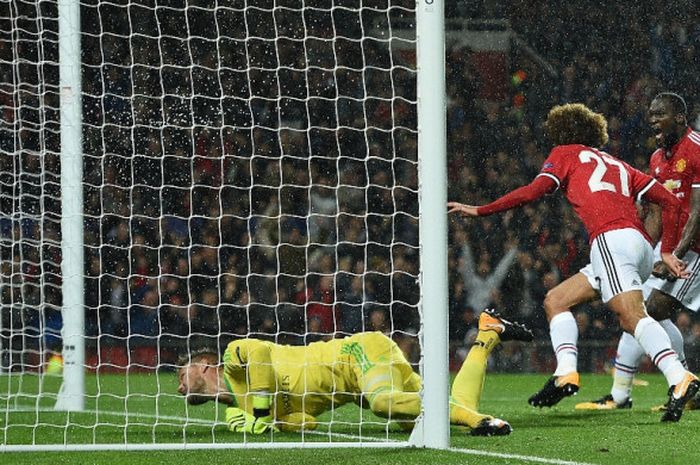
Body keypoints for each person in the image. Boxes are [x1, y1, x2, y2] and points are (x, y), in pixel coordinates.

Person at [448, 103, 699, 422]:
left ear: (562, 132)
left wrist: (481, 209)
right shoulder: (616, 162)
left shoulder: (565, 153)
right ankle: (566, 372)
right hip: (639, 244)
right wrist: (666, 250)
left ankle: (680, 378)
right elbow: (669, 200)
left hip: (610, 241)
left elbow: (533, 191)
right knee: (557, 299)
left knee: (632, 316)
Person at [177, 309, 533, 437]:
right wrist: (271, 422)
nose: (179, 387)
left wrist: (258, 411)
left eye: (181, 375)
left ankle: (480, 421)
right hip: (357, 387)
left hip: (357, 354)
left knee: (384, 403)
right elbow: (307, 422)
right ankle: (488, 333)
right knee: (441, 413)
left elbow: (257, 353)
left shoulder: (232, 357)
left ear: (204, 365)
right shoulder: (237, 410)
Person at [575, 92, 700, 411]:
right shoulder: (658, 158)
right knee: (638, 309)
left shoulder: (696, 149)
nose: (653, 120)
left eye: (660, 114)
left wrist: (674, 255)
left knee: (652, 309)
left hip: (694, 248)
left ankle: (680, 387)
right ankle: (667, 390)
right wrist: (647, 249)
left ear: (681, 119)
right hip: (669, 248)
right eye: (651, 115)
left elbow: (698, 212)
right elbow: (658, 211)